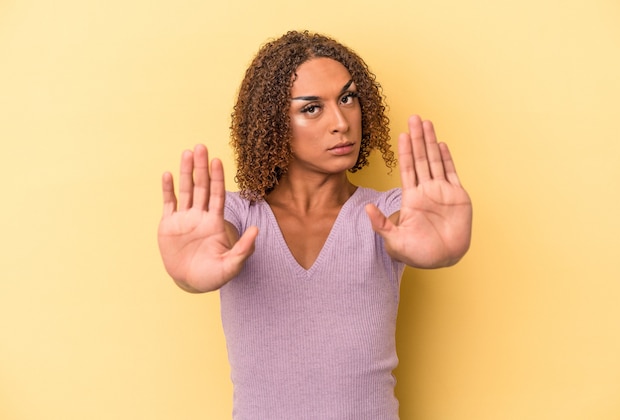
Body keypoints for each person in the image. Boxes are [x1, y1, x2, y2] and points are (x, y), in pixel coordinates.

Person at [157, 30, 472, 419]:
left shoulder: (386, 212)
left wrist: (443, 250)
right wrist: (190, 275)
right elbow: (214, 245)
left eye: (347, 98)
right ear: (273, 123)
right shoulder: (235, 214)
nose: (341, 122)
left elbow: (407, 227)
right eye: (311, 108)